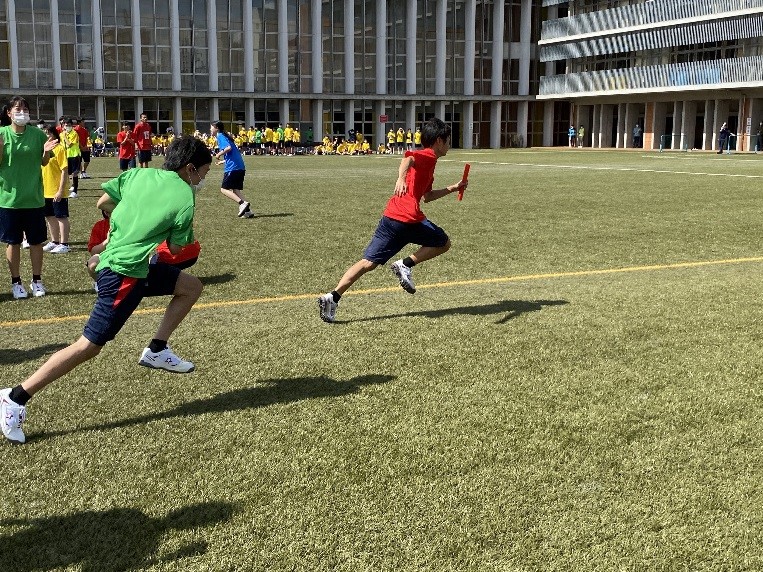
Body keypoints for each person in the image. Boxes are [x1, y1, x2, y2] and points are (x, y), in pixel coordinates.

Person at [0, 136, 213, 444]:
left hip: (126, 264)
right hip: (123, 275)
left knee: (191, 287)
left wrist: (122, 232)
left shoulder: (137, 174)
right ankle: (16, 396)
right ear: (190, 169)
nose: (202, 179)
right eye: (203, 173)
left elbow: (104, 202)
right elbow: (179, 247)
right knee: (88, 346)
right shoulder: (184, 197)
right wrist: (148, 238)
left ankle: (156, 349)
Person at [317, 117, 467, 323]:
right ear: (439, 141)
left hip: (391, 217)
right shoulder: (428, 156)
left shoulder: (429, 166)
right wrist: (401, 177)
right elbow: (408, 158)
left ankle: (332, 297)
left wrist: (453, 188)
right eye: (448, 141)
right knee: (444, 242)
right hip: (408, 218)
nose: (449, 145)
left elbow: (428, 196)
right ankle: (405, 264)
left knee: (367, 263)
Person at [0, 96, 59, 299]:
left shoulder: (37, 135)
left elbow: (44, 162)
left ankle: (37, 280)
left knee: (36, 242)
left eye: (25, 108)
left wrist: (45, 151)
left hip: (34, 198)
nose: (22, 112)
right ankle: (16, 282)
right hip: (9, 200)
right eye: (17, 108)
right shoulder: (1, 134)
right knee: (13, 242)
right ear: (8, 113)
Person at [211, 120, 253, 218]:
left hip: (233, 167)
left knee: (223, 189)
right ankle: (248, 211)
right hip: (239, 166)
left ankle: (242, 204)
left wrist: (219, 154)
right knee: (235, 190)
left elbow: (228, 148)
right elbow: (233, 153)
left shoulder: (220, 136)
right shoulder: (225, 136)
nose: (210, 129)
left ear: (216, 128)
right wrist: (223, 161)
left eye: (211, 127)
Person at [41, 125, 71, 254]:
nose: (46, 136)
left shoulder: (59, 149)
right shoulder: (42, 150)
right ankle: (54, 241)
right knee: (49, 216)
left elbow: (64, 171)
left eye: (48, 133)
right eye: (44, 133)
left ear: (54, 134)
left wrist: (60, 190)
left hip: (57, 190)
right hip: (45, 190)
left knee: (61, 217)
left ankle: (64, 244)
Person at [60, 117, 81, 198]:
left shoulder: (74, 134)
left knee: (75, 173)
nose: (67, 127)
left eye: (69, 125)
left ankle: (75, 191)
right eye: (66, 125)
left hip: (75, 155)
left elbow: (70, 144)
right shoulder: (61, 134)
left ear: (72, 126)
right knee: (66, 173)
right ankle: (67, 188)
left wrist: (65, 136)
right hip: (66, 156)